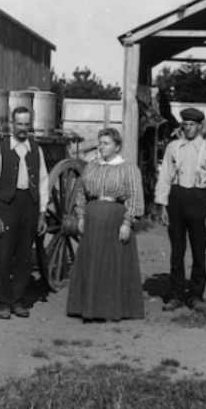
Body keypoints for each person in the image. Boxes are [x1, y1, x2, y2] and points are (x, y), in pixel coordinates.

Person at [66, 128, 145, 321]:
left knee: (111, 263)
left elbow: (135, 197)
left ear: (117, 146)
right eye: (100, 143)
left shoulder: (128, 169)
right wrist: (82, 215)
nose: (102, 147)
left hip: (114, 217)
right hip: (93, 218)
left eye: (106, 143)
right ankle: (88, 307)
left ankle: (111, 308)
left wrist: (127, 222)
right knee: (92, 262)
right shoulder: (92, 166)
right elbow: (81, 192)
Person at [155, 107, 206, 312]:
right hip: (176, 198)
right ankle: (176, 294)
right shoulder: (173, 147)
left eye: (192, 125)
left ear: (200, 126)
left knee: (198, 250)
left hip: (198, 199)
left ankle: (196, 295)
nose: (188, 128)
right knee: (177, 249)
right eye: (185, 124)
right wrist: (163, 206)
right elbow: (165, 177)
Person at [0, 106, 48, 319]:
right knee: (3, 254)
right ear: (12, 124)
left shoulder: (36, 150)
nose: (23, 128)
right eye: (19, 124)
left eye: (26, 124)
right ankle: (3, 302)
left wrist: (42, 213)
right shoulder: (0, 149)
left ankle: (18, 300)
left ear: (31, 125)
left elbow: (43, 182)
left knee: (24, 256)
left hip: (29, 204)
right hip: (6, 206)